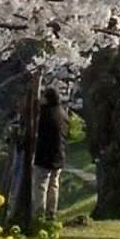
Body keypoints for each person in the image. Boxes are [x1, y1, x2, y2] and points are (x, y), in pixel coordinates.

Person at [34, 86, 69, 221]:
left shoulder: (45, 113)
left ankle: (38, 214)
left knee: (41, 185)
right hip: (59, 154)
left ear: (47, 99)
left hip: (44, 154)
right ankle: (51, 213)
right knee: (54, 185)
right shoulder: (63, 114)